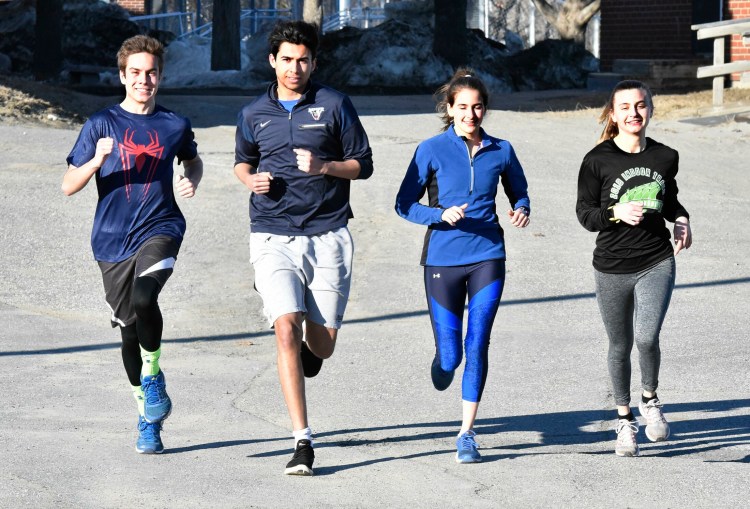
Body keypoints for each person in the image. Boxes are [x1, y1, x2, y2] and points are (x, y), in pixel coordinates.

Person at [233, 20, 373, 476]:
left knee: (323, 345)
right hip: (272, 233)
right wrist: (248, 179)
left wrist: (326, 165)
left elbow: (363, 165)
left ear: (314, 62)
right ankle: (302, 441)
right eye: (288, 59)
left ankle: (313, 349)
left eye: (304, 60)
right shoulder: (254, 112)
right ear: (273, 61)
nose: (296, 68)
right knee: (285, 327)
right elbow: (242, 161)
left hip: (329, 233)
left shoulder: (334, 105)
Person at [62, 35, 203, 454]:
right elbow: (68, 185)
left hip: (161, 226)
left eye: (152, 72)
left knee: (146, 298)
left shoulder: (174, 124)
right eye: (136, 73)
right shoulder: (100, 124)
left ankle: (154, 374)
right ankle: (147, 420)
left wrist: (191, 177)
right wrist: (95, 160)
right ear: (123, 76)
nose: (145, 80)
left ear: (161, 75)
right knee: (128, 334)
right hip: (110, 241)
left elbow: (191, 158)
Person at [394, 68, 531, 464]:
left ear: (485, 109)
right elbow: (404, 204)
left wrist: (521, 208)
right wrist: (439, 215)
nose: (471, 114)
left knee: (478, 342)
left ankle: (466, 433)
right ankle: (442, 362)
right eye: (463, 107)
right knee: (452, 356)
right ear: (449, 108)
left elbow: (519, 189)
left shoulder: (501, 149)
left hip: (488, 255)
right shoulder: (431, 149)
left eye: (478, 107)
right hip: (442, 260)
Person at [576, 80, 692, 457]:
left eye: (640, 105)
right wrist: (615, 212)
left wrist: (682, 218)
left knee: (646, 337)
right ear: (613, 114)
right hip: (610, 266)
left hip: (655, 259)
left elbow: (669, 198)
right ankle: (625, 420)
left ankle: (651, 399)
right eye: (624, 107)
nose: (633, 113)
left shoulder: (665, 156)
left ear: (651, 110)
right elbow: (585, 214)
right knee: (620, 345)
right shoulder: (597, 160)